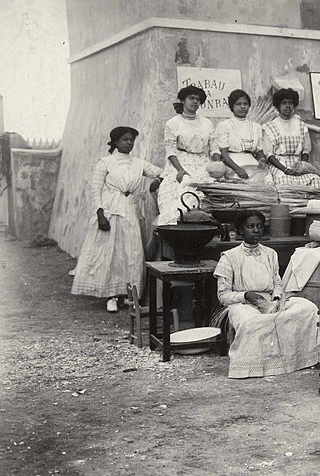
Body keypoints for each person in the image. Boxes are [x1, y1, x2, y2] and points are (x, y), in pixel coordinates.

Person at [214, 210, 320, 379]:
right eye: (250, 227)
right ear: (240, 230)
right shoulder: (229, 257)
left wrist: (277, 298)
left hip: (270, 300)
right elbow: (223, 295)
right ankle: (253, 366)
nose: (256, 230)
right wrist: (247, 296)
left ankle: (298, 359)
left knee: (308, 309)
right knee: (252, 322)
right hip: (243, 304)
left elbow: (277, 282)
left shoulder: (270, 254)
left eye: (259, 226)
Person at [71, 126, 163, 312]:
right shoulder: (105, 163)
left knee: (131, 254)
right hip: (111, 210)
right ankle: (111, 296)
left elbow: (162, 173)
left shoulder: (138, 163)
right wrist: (100, 213)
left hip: (131, 211)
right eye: (125, 140)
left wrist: (155, 184)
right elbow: (96, 189)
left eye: (131, 140)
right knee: (112, 254)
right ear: (115, 142)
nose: (129, 143)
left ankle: (129, 294)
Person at [154, 85, 217, 225]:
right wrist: (180, 170)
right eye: (191, 98)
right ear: (182, 101)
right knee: (183, 189)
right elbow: (170, 151)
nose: (195, 102)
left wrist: (218, 166)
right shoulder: (173, 123)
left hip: (202, 162)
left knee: (209, 191)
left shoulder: (207, 123)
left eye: (198, 99)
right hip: (180, 162)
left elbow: (214, 148)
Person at [261, 88, 320, 188]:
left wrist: (301, 166)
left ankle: (311, 204)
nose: (287, 106)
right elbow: (269, 155)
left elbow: (306, 150)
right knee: (283, 180)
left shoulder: (301, 125)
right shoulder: (270, 126)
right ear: (278, 106)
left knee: (315, 179)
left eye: (290, 103)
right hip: (279, 166)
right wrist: (285, 170)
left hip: (298, 166)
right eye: (284, 103)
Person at [208, 89, 269, 183]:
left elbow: (259, 151)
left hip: (253, 163)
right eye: (238, 104)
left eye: (245, 104)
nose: (242, 107)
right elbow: (223, 153)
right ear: (232, 107)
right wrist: (237, 169)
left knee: (266, 182)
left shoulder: (256, 126)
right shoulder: (225, 125)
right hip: (232, 163)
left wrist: (262, 161)